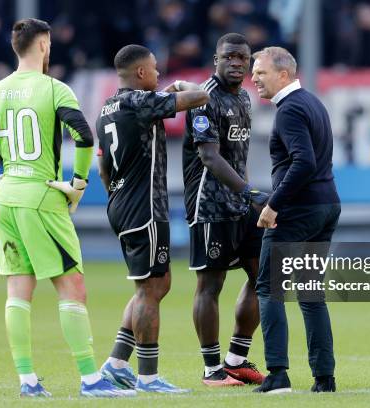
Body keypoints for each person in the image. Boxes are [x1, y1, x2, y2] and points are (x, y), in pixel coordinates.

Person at [0, 18, 131, 398]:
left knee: (18, 291)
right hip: (42, 197)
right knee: (72, 287)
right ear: (45, 45)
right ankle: (90, 379)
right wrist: (78, 184)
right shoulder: (54, 89)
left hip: (7, 198)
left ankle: (28, 381)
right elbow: (83, 134)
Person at [96, 44, 209, 393]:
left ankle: (116, 363)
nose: (160, 75)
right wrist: (177, 88)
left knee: (156, 284)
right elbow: (201, 97)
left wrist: (117, 192)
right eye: (156, 70)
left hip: (122, 203)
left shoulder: (106, 108)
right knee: (149, 289)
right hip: (144, 206)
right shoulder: (140, 102)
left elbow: (102, 165)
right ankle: (147, 378)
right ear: (142, 73)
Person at [251, 46, 340, 393]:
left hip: (299, 210)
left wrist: (274, 204)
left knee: (269, 288)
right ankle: (324, 377)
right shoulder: (313, 102)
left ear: (284, 74)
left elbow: (303, 162)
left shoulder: (289, 110)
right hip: (326, 204)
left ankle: (277, 374)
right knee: (310, 294)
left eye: (261, 72)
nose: (254, 78)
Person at [182, 32, 268, 387]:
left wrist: (246, 193)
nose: (236, 63)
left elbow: (239, 157)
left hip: (240, 203)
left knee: (265, 276)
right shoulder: (204, 99)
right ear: (216, 59)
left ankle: (236, 359)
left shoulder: (245, 99)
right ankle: (211, 369)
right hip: (210, 205)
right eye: (229, 57)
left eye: (242, 59)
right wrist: (249, 191)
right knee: (210, 285)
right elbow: (210, 156)